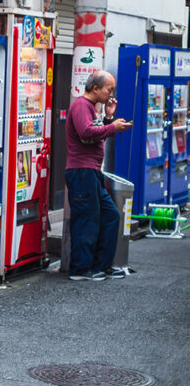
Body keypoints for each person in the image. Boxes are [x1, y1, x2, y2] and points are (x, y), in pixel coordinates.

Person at [65, 70, 133, 281]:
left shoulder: (91, 108)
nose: (111, 94)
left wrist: (109, 117)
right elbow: (86, 133)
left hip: (92, 171)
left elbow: (95, 132)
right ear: (95, 89)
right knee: (87, 220)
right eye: (109, 89)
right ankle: (80, 269)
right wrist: (112, 126)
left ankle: (101, 266)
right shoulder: (81, 106)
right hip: (81, 171)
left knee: (110, 215)